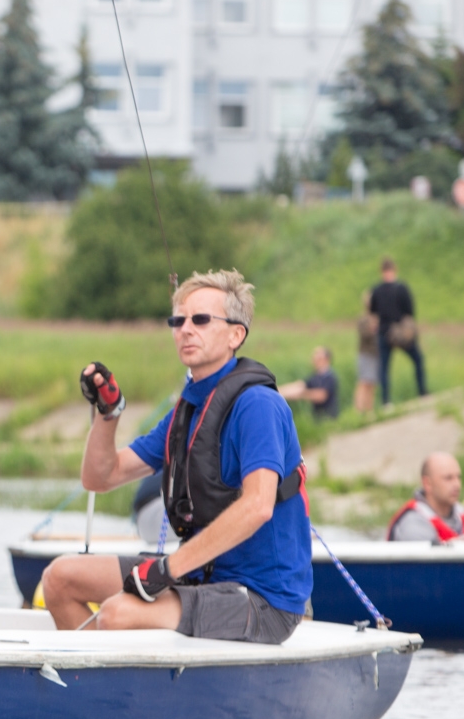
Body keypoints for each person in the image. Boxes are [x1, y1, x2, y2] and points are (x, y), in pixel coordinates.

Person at [39, 269, 312, 645]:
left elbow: (259, 507)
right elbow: (100, 477)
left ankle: (119, 698)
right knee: (59, 579)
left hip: (263, 601)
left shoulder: (258, 405)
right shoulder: (187, 411)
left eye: (200, 320)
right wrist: (108, 414)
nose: (186, 329)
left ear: (236, 334)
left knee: (118, 613)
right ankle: (99, 693)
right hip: (201, 578)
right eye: (178, 320)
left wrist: (166, 569)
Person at [369, 257, 427, 404]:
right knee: (418, 359)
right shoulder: (402, 288)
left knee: (384, 368)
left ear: (382, 272)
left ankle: (385, 400)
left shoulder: (376, 290)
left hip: (384, 332)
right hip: (401, 333)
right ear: (394, 270)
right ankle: (422, 391)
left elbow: (372, 311)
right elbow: (410, 311)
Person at [387, 451, 464, 542]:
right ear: (427, 483)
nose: (457, 484)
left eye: (458, 477)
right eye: (448, 478)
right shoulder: (413, 524)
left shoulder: (463, 516)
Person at [279, 346, 340, 420]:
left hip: (329, 418)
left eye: (318, 358)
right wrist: (277, 390)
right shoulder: (315, 377)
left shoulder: (330, 377)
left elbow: (321, 396)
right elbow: (299, 385)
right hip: (318, 418)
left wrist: (300, 394)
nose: (315, 361)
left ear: (326, 359)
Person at [355, 297, 379, 414]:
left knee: (372, 383)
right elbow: (365, 334)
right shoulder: (364, 319)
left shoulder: (378, 317)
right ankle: (359, 410)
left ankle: (369, 410)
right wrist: (374, 327)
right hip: (365, 354)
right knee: (363, 381)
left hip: (375, 354)